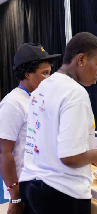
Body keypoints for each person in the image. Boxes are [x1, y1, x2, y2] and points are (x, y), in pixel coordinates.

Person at [18, 32, 97, 214]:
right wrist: (96, 155)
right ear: (81, 59)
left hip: (32, 184)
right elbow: (70, 157)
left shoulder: (43, 86)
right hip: (62, 193)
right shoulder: (75, 93)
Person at [0, 43, 60, 214]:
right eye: (44, 73)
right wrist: (15, 196)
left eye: (50, 73)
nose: (49, 78)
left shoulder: (39, 98)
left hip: (42, 183)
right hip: (23, 188)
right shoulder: (13, 103)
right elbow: (4, 152)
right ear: (27, 74)